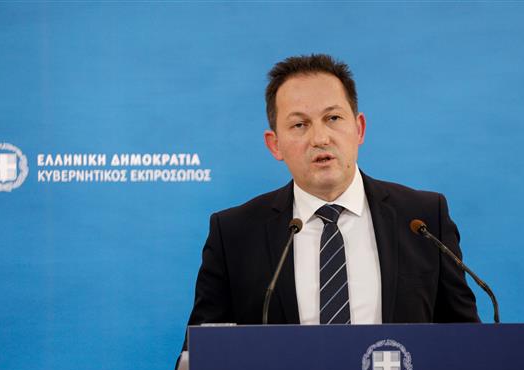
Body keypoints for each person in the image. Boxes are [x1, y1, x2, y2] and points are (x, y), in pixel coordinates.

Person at [180, 54, 479, 353]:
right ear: (275, 144)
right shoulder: (235, 234)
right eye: (300, 124)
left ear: (359, 128)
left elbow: (468, 344)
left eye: (333, 118)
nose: (320, 138)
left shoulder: (423, 219)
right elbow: (201, 359)